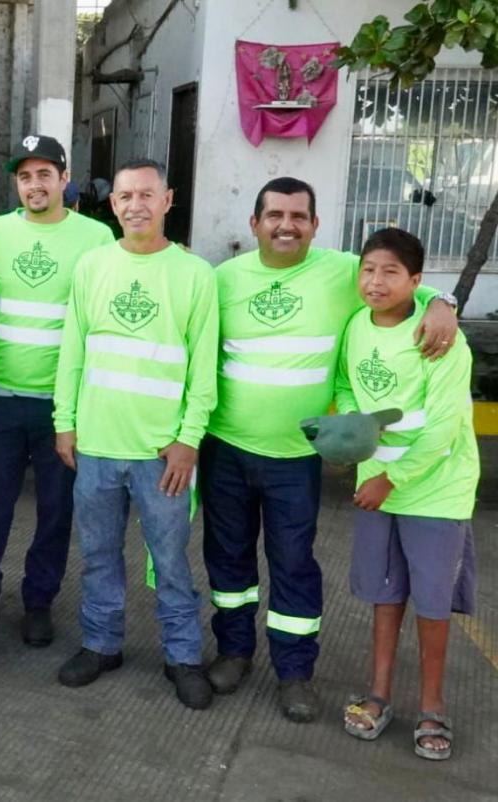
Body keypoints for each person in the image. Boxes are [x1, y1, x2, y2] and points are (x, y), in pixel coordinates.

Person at [200, 177, 459, 722]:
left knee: (293, 563)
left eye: (299, 216)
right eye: (274, 215)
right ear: (254, 223)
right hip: (225, 448)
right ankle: (234, 652)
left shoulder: (345, 270)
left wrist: (444, 302)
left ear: (316, 226)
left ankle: (294, 673)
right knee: (228, 558)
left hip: (297, 458)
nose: (286, 225)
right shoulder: (221, 279)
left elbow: (398, 277)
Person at [53, 158, 216, 710]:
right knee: (98, 555)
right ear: (112, 204)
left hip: (161, 453)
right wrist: (65, 423)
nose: (135, 205)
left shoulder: (195, 275)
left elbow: (202, 367)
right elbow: (72, 350)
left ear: (168, 200)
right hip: (95, 446)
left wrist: (188, 440)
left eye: (146, 194)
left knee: (171, 562)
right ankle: (101, 645)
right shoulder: (92, 266)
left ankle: (184, 656)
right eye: (125, 196)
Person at [0, 134, 114, 647]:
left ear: (65, 179)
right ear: (15, 184)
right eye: (25, 176)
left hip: (64, 407)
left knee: (55, 511)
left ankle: (40, 600)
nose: (34, 184)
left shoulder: (97, 239)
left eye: (45, 174)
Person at [335, 228, 477, 761]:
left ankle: (433, 706)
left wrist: (389, 479)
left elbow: (442, 428)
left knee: (432, 605)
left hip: (435, 492)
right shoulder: (355, 325)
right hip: (378, 486)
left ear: (417, 282)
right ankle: (379, 694)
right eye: (369, 269)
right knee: (385, 594)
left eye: (391, 272)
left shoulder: (439, 335)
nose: (376, 281)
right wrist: (354, 426)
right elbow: (348, 384)